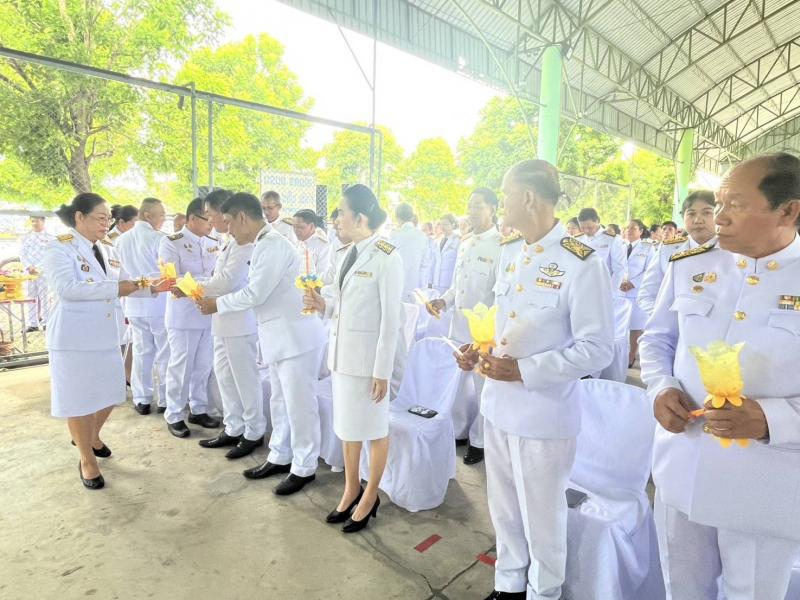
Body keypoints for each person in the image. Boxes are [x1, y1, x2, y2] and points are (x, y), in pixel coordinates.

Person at [640, 152, 800, 600]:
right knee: (681, 589)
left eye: (737, 205)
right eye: (720, 203)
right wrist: (660, 388)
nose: (719, 217)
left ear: (788, 211)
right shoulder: (691, 265)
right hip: (682, 467)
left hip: (765, 484)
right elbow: (657, 340)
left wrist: (771, 419)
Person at [455, 161, 614, 600]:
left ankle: (544, 592)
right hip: (497, 406)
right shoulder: (510, 251)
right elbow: (505, 327)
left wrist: (525, 370)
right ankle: (509, 584)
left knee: (543, 516)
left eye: (505, 193)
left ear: (526, 197)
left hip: (544, 415)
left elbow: (598, 348)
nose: (500, 202)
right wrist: (480, 349)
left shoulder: (581, 261)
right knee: (503, 507)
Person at [198, 193, 326, 496]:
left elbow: (255, 293)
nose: (228, 229)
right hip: (280, 336)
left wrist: (217, 304)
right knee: (280, 401)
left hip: (295, 337)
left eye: (229, 222)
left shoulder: (272, 245)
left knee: (300, 405)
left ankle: (304, 466)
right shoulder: (263, 243)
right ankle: (280, 455)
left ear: (243, 217)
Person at [45, 193, 166, 489]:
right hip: (74, 337)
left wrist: (153, 287)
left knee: (111, 393)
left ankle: (90, 436)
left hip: (106, 335)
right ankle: (87, 460)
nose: (106, 224)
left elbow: (127, 281)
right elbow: (67, 289)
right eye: (100, 218)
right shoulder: (60, 246)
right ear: (79, 217)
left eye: (108, 219)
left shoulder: (108, 247)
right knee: (79, 400)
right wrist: (117, 288)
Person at [303, 184, 402, 533]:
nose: (336, 219)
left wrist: (382, 371)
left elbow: (391, 321)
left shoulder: (387, 255)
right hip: (343, 358)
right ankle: (350, 488)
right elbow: (346, 305)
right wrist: (324, 305)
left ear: (360, 217)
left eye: (341, 213)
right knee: (347, 428)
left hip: (368, 365)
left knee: (374, 429)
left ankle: (370, 494)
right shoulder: (349, 252)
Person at [427, 188, 501, 465]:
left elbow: (500, 296)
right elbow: (458, 285)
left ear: (492, 209)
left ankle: (479, 441)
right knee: (457, 383)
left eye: (478, 206)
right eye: (469, 206)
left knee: (483, 388)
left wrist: (493, 334)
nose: (472, 211)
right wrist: (443, 301)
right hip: (458, 326)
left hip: (483, 333)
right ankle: (458, 430)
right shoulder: (466, 243)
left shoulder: (501, 246)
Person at [191, 190, 265, 459]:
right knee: (224, 377)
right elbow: (219, 277)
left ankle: (254, 431)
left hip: (239, 322)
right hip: (222, 320)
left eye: (211, 214)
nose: (210, 220)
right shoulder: (229, 242)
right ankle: (233, 427)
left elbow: (226, 282)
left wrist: (191, 287)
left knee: (245, 380)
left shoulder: (247, 244)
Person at [159, 198, 220, 437]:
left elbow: (219, 275)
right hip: (184, 315)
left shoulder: (214, 242)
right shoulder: (171, 242)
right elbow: (172, 281)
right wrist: (208, 284)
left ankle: (198, 408)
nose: (211, 224)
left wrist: (206, 285)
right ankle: (174, 414)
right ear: (192, 218)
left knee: (204, 365)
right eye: (207, 219)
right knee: (181, 367)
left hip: (208, 312)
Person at [116, 198, 170, 415]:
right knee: (165, 353)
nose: (164, 218)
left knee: (141, 352)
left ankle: (142, 398)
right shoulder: (160, 239)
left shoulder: (121, 240)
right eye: (161, 214)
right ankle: (165, 399)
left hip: (134, 303)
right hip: (158, 303)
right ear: (148, 215)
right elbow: (167, 272)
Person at [638, 191, 716, 316]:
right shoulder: (667, 250)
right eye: (691, 213)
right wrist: (668, 319)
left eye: (707, 213)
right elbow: (647, 294)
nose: (698, 220)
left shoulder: (733, 250)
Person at [620, 219, 655, 367]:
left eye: (633, 228)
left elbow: (650, 270)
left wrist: (633, 283)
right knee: (620, 326)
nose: (629, 230)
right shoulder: (620, 246)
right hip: (619, 291)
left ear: (640, 231)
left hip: (636, 291)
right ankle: (619, 355)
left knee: (635, 327)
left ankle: (631, 355)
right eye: (627, 228)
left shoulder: (648, 248)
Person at [19, 215, 55, 332]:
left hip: (44, 273)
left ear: (43, 221)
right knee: (31, 297)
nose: (34, 223)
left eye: (37, 221)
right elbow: (22, 254)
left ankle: (46, 323)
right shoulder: (26, 237)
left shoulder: (51, 237)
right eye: (32, 221)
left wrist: (39, 268)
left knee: (45, 298)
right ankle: (33, 324)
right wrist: (29, 266)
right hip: (30, 273)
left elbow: (52, 255)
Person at [389, 203, 431, 302]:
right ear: (412, 217)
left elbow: (387, 261)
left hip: (395, 286)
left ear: (396, 217)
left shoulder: (393, 236)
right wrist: (422, 287)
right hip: (415, 288)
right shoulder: (422, 236)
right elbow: (425, 263)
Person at [293, 209, 332, 276]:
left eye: (300, 227)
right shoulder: (297, 243)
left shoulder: (323, 246)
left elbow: (322, 273)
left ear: (311, 226)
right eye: (294, 227)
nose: (296, 230)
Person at [430, 214, 460, 295]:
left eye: (445, 224)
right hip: (435, 283)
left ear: (453, 225)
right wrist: (430, 282)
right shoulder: (437, 241)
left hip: (449, 284)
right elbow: (433, 263)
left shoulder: (458, 241)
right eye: (441, 224)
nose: (442, 227)